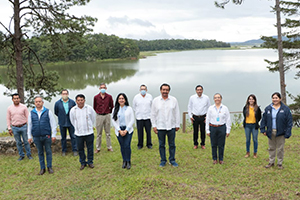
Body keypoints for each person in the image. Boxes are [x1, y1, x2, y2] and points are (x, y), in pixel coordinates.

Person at [260, 92, 293, 169]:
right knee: (271, 147)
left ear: (280, 99)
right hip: (270, 131)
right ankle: (271, 162)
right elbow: (263, 120)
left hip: (281, 132)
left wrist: (288, 132)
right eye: (273, 98)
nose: (274, 99)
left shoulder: (285, 109)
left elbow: (289, 121)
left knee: (280, 148)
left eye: (276, 98)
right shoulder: (268, 108)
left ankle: (279, 163)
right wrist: (263, 129)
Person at [151, 83, 180, 167]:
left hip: (171, 126)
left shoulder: (173, 100)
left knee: (172, 144)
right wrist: (154, 126)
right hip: (160, 126)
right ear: (160, 90)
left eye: (167, 90)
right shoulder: (156, 100)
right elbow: (153, 114)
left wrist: (177, 124)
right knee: (161, 145)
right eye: (163, 90)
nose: (165, 91)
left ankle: (172, 160)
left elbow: (177, 113)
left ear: (169, 91)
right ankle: (163, 160)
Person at [27, 96, 57, 175]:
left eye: (39, 101)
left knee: (48, 151)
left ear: (42, 102)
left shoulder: (48, 112)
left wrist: (53, 135)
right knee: (40, 152)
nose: (38, 103)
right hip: (36, 136)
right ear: (34, 103)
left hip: (46, 136)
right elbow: (29, 125)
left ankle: (49, 167)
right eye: (36, 102)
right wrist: (29, 136)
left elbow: (53, 124)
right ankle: (42, 168)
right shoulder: (31, 113)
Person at [70, 94, 96, 170]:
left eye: (81, 100)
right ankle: (82, 162)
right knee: (80, 148)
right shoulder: (73, 110)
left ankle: (90, 162)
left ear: (84, 100)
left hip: (89, 132)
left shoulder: (89, 108)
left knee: (90, 148)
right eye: (78, 100)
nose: (80, 102)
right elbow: (72, 121)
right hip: (78, 133)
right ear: (76, 101)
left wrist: (90, 126)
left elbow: (93, 118)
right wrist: (77, 127)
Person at [206, 93, 231, 164]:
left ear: (221, 99)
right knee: (213, 144)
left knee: (221, 144)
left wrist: (228, 130)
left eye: (218, 97)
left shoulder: (225, 108)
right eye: (215, 98)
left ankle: (221, 159)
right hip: (213, 127)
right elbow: (207, 119)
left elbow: (228, 119)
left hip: (222, 127)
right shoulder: (210, 108)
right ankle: (214, 158)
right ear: (214, 99)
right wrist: (207, 130)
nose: (217, 99)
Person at [6, 93, 32, 161]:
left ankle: (29, 154)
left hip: (23, 126)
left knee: (26, 141)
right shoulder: (9, 108)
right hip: (15, 127)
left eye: (17, 98)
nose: (16, 100)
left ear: (19, 99)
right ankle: (21, 155)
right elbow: (8, 118)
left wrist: (29, 127)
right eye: (15, 98)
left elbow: (28, 117)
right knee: (18, 142)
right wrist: (9, 128)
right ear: (12, 99)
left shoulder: (24, 107)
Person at [112, 93, 135, 169]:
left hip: (128, 130)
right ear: (117, 100)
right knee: (122, 146)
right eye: (119, 98)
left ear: (125, 100)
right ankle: (124, 160)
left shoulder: (129, 108)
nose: (121, 100)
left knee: (127, 145)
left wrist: (126, 130)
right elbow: (113, 121)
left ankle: (128, 161)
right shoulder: (114, 109)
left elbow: (132, 120)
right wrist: (119, 130)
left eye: (122, 98)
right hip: (119, 130)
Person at [54, 89, 77, 156]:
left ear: (68, 94)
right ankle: (64, 150)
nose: (65, 95)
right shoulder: (57, 103)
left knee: (73, 136)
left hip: (71, 122)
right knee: (63, 137)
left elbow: (75, 111)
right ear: (61, 95)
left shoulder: (72, 102)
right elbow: (56, 112)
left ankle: (75, 150)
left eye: (66, 93)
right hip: (62, 122)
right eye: (63, 94)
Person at [188, 85, 210, 149]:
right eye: (198, 90)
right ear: (196, 91)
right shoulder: (192, 98)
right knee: (195, 131)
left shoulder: (206, 98)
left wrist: (207, 117)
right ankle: (195, 144)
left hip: (203, 117)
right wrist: (190, 116)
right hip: (195, 117)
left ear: (202, 90)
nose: (199, 91)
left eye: (200, 90)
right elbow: (189, 107)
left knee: (203, 131)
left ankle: (203, 144)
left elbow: (209, 107)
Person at [93, 83, 114, 153]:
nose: (103, 89)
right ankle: (98, 148)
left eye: (104, 87)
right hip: (99, 116)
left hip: (107, 115)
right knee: (99, 133)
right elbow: (94, 106)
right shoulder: (96, 97)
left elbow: (112, 106)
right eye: (101, 87)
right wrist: (98, 112)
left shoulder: (109, 97)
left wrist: (108, 112)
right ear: (99, 88)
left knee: (108, 133)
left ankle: (109, 147)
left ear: (106, 88)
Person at [132, 84, 153, 149]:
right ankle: (140, 144)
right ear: (139, 90)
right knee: (140, 131)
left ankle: (149, 144)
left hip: (148, 117)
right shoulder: (136, 97)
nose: (143, 90)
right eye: (141, 89)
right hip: (139, 117)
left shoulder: (150, 96)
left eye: (144, 89)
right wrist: (138, 112)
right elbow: (134, 107)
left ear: (146, 90)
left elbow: (152, 106)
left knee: (148, 131)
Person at [242, 94, 262, 158]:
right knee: (248, 140)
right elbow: (244, 115)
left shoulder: (257, 108)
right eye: (250, 99)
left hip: (254, 126)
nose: (251, 100)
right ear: (248, 100)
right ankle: (247, 152)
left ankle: (255, 153)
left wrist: (256, 122)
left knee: (255, 140)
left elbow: (259, 117)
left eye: (252, 99)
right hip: (247, 125)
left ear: (254, 100)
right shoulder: (245, 108)